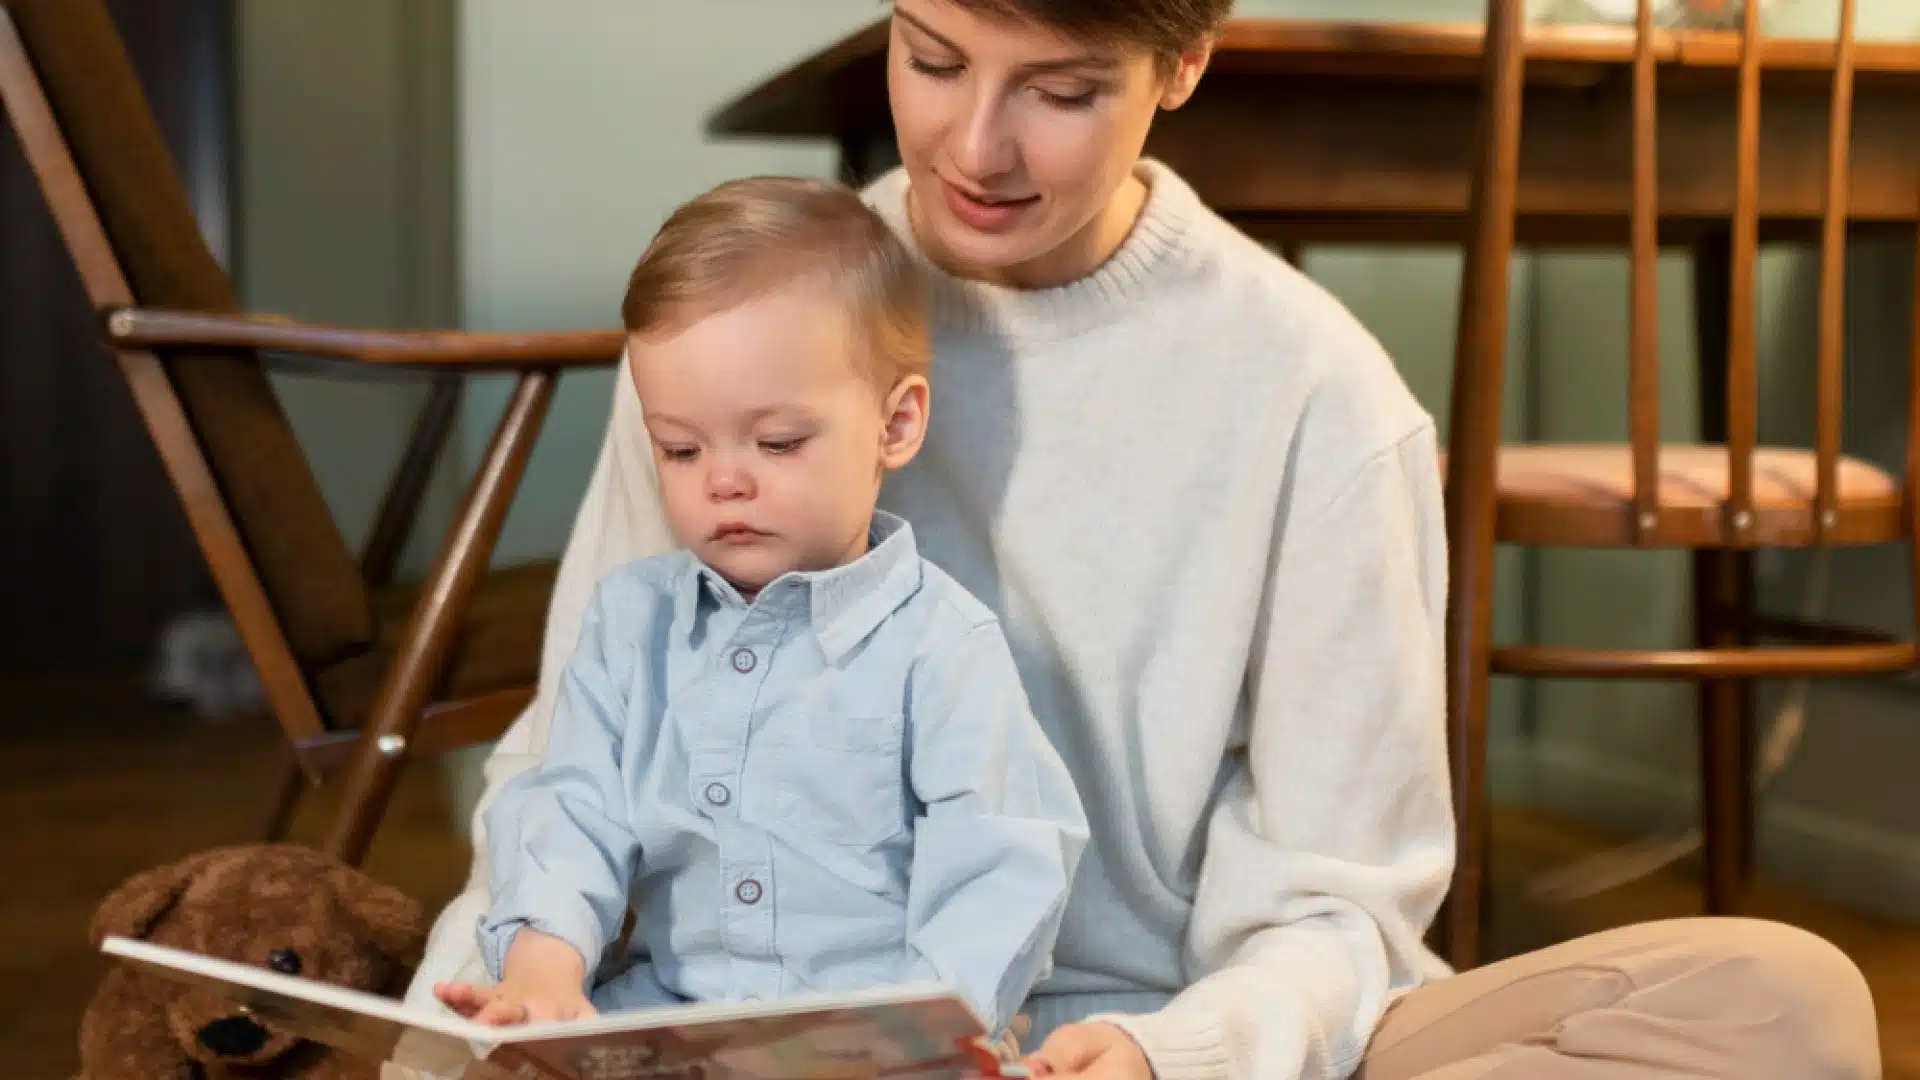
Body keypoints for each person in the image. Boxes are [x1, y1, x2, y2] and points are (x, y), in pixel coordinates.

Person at [402, 1, 1882, 1077]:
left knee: (1782, 1004)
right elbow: (569, 765)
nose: (973, 144)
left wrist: (1173, 1054)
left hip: (1137, 1033)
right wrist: (475, 1016)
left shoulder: (1319, 397)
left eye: (1058, 87)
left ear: (1182, 62)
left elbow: (1340, 904)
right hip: (731, 1028)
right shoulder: (749, 337)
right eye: (929, 58)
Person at [428, 176, 1089, 1045]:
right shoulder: (633, 623)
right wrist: (546, 959)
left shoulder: (940, 644)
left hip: (878, 1038)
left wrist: (922, 1031)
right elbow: (572, 804)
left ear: (895, 425)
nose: (723, 480)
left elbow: (1001, 863)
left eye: (776, 442)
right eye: (678, 447)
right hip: (674, 1015)